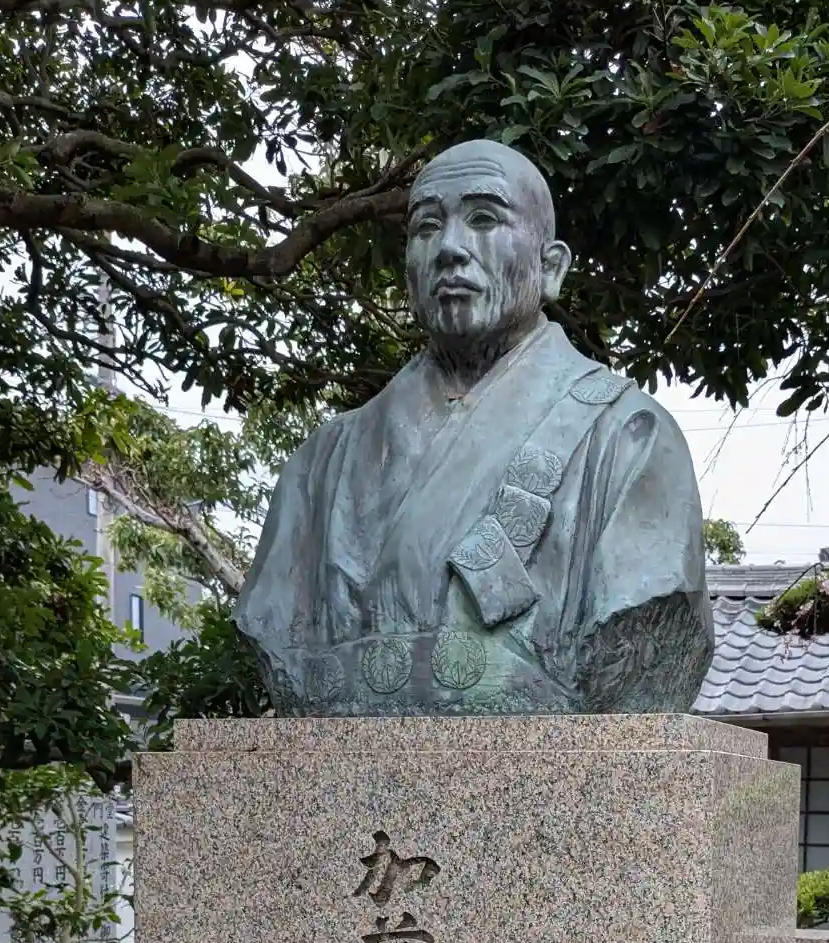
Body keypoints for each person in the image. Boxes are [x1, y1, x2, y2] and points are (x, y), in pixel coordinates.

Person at [234, 139, 713, 716]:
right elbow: (274, 629)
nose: (450, 248)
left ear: (551, 267)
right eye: (427, 227)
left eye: (484, 219)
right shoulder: (319, 466)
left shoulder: (629, 438)